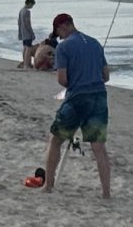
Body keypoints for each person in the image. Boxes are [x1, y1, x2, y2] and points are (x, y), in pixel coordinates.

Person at [43, 13, 112, 198]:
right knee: (99, 147)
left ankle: (48, 185)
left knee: (56, 139)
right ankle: (106, 192)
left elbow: (62, 79)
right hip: (99, 97)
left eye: (59, 33)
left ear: (63, 26)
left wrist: (75, 83)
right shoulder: (95, 43)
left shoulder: (64, 47)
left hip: (77, 98)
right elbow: (106, 76)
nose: (60, 37)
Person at [17, 0, 37, 68]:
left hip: (22, 32)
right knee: (29, 48)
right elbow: (28, 23)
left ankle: (26, 63)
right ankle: (26, 64)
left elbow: (19, 22)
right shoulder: (27, 12)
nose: (32, 7)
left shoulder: (21, 11)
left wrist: (20, 33)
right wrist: (32, 33)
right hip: (27, 33)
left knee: (25, 48)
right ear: (29, 3)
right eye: (32, 5)